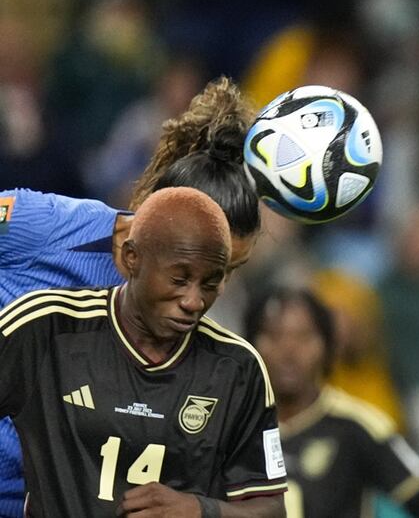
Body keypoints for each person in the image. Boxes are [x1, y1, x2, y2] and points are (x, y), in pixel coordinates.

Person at [0, 76, 261, 517]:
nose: (203, 295)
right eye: (189, 269)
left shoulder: (198, 337)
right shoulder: (46, 225)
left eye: (224, 272)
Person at [0, 187, 286, 517]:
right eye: (179, 279)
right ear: (131, 257)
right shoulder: (48, 328)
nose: (193, 302)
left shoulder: (237, 368)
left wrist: (200, 510)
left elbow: (272, 510)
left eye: (211, 283)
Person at [246, 286, 419, 517]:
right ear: (248, 343)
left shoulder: (360, 427)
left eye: (304, 337)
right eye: (274, 336)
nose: (289, 350)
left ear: (327, 346)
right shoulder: (232, 426)